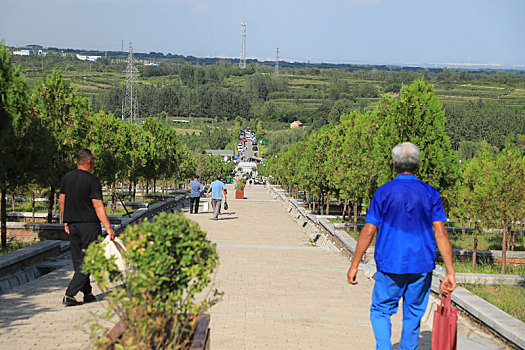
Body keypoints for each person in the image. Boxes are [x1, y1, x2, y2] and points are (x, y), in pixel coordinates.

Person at [347, 142, 456, 350]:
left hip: (390, 263)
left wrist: (355, 264)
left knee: (380, 310)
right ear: (418, 164)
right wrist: (450, 271)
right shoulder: (431, 193)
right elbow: (440, 232)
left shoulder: (384, 192)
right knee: (414, 315)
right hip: (421, 264)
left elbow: (369, 230)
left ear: (394, 164)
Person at [59, 149, 115, 306]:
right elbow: (97, 205)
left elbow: (61, 200)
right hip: (89, 226)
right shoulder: (92, 180)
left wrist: (66, 220)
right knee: (88, 261)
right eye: (94, 161)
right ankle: (70, 294)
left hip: (73, 226)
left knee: (79, 261)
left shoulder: (67, 177)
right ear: (89, 162)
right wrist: (108, 227)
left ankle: (88, 293)